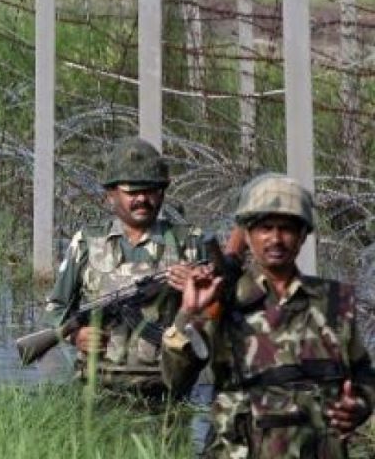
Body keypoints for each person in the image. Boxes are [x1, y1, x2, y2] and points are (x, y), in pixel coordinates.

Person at [163, 173, 374, 458]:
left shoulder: (332, 301)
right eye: (265, 228)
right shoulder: (221, 299)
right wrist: (189, 313)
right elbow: (175, 379)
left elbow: (363, 376)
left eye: (286, 229)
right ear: (248, 235)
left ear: (302, 235)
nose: (276, 239)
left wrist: (358, 405)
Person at [44, 137, 207, 400]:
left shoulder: (188, 243)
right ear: (111, 195)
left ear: (163, 192)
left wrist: (196, 291)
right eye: (132, 191)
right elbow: (56, 308)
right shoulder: (86, 242)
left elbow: (219, 316)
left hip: (166, 395)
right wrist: (76, 335)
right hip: (97, 395)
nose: (142, 199)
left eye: (151, 190)